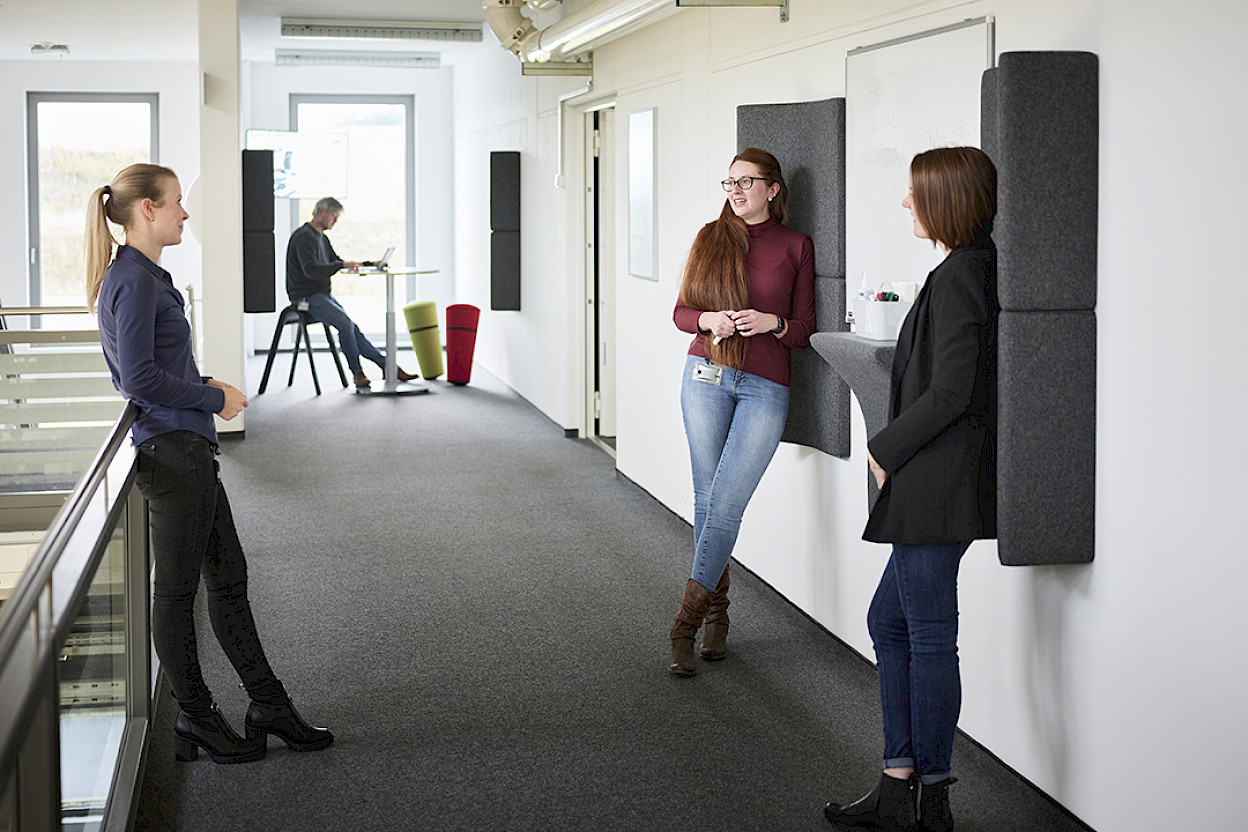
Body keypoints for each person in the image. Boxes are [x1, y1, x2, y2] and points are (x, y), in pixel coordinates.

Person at [87, 163, 334, 764]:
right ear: (147, 209)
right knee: (177, 596)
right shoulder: (135, 279)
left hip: (184, 451)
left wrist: (201, 383)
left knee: (229, 581)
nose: (184, 213)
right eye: (175, 202)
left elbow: (146, 367)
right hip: (173, 457)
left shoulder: (138, 274)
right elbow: (138, 379)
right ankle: (196, 718)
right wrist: (211, 397)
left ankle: (267, 703)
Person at [822, 147, 998, 832]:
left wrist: (883, 447)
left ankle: (931, 800)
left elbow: (953, 390)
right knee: (889, 623)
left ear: (945, 199)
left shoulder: (961, 276)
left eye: (913, 193)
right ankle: (901, 784)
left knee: (927, 636)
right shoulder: (966, 267)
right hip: (937, 480)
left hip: (938, 482)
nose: (905, 204)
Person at [668, 147, 815, 676]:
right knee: (707, 501)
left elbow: (804, 330)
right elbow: (681, 313)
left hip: (765, 385)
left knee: (725, 505)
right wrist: (710, 318)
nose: (735, 191)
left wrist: (771, 322)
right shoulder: (710, 236)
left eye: (746, 182)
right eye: (729, 182)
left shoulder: (796, 246)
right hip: (705, 376)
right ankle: (716, 617)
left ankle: (683, 624)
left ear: (772, 189)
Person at [285, 196, 417, 389]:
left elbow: (336, 262)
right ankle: (357, 372)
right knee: (345, 325)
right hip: (305, 297)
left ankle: (387, 366)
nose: (335, 221)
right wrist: (341, 265)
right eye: (334, 216)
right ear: (321, 211)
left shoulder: (322, 238)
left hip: (321, 295)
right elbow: (311, 270)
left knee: (353, 330)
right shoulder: (303, 237)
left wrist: (367, 264)